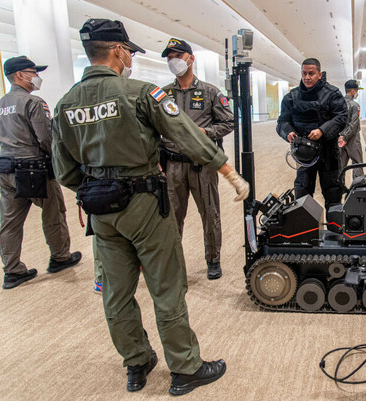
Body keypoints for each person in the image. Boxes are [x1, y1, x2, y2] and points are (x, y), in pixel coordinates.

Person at [51, 19, 248, 395]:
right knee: (167, 286)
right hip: (144, 203)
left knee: (116, 292)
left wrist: (96, 188)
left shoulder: (65, 105)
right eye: (129, 52)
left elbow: (64, 172)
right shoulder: (142, 93)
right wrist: (228, 172)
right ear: (119, 51)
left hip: (99, 209)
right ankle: (186, 368)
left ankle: (137, 363)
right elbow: (185, 134)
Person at [0, 56, 81, 290]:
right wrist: (63, 161)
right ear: (20, 75)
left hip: (6, 169)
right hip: (34, 169)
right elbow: (45, 138)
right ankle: (60, 257)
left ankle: (12, 270)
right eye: (33, 72)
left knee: (9, 222)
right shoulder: (33, 102)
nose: (36, 77)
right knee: (53, 212)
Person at [160, 38, 234, 280]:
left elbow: (229, 122)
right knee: (171, 216)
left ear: (190, 59)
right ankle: (172, 262)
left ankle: (213, 259)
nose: (173, 61)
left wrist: (207, 132)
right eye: (169, 57)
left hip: (202, 165)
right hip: (172, 165)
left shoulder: (210, 92)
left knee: (210, 212)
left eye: (177, 56)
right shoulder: (164, 95)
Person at [276, 58, 347, 212]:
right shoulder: (291, 97)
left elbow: (341, 117)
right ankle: (306, 233)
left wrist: (322, 130)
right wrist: (287, 132)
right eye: (304, 73)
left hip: (328, 153)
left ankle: (335, 231)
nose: (307, 77)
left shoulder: (332, 94)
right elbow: (282, 122)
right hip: (303, 154)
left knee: (333, 193)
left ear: (319, 74)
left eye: (311, 73)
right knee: (302, 194)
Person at [337, 79, 364, 180]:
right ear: (353, 91)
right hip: (352, 139)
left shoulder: (338, 104)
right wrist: (346, 136)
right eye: (356, 90)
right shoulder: (355, 106)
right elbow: (353, 123)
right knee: (357, 164)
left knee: (340, 166)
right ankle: (357, 190)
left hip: (339, 139)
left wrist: (342, 136)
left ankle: (340, 189)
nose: (357, 93)